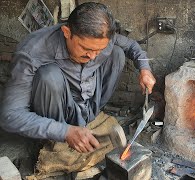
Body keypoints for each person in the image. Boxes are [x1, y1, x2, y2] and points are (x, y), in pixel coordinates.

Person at [0, 2, 156, 153]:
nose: (93, 56)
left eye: (99, 50)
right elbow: (10, 115)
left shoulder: (104, 38)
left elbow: (132, 46)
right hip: (57, 112)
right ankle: (55, 139)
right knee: (48, 75)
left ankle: (90, 118)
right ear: (67, 33)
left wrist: (145, 70)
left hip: (90, 104)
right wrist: (64, 132)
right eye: (86, 48)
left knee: (117, 53)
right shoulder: (31, 52)